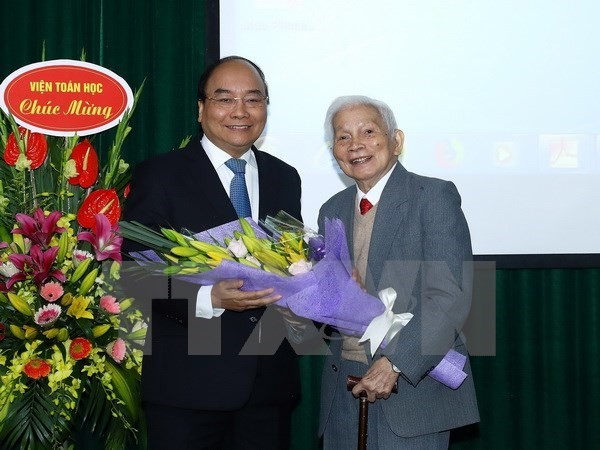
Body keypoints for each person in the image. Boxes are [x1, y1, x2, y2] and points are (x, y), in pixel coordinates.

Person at [123, 56, 302, 449]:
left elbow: (290, 262)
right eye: (225, 99)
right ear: (201, 109)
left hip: (268, 389)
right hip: (187, 390)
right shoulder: (161, 174)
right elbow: (134, 271)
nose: (240, 111)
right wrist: (208, 297)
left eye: (254, 99)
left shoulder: (284, 177)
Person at [317, 95, 479, 449]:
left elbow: (449, 296)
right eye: (343, 137)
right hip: (342, 385)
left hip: (410, 384)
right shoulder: (330, 210)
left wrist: (395, 364)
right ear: (334, 152)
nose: (355, 144)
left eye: (368, 131)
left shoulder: (432, 196)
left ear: (396, 141)